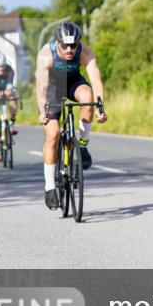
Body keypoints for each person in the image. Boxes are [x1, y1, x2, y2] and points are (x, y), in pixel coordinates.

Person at [34, 21, 107, 209]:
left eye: (73, 45)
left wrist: (100, 107)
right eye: (64, 45)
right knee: (53, 135)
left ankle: (82, 146)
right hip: (52, 89)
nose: (69, 49)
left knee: (88, 96)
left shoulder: (84, 52)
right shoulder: (45, 54)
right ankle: (50, 188)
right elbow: (41, 88)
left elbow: (96, 80)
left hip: (74, 83)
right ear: (56, 42)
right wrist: (43, 111)